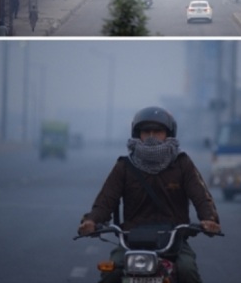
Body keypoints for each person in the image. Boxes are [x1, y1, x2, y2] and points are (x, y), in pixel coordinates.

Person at [77, 106, 221, 283]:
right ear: (138, 135)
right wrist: (91, 221)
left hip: (173, 241)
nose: (152, 136)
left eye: (158, 131)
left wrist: (210, 220)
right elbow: (106, 200)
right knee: (110, 272)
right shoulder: (124, 166)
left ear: (168, 134)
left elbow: (201, 196)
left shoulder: (182, 163)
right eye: (146, 131)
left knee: (187, 270)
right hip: (131, 241)